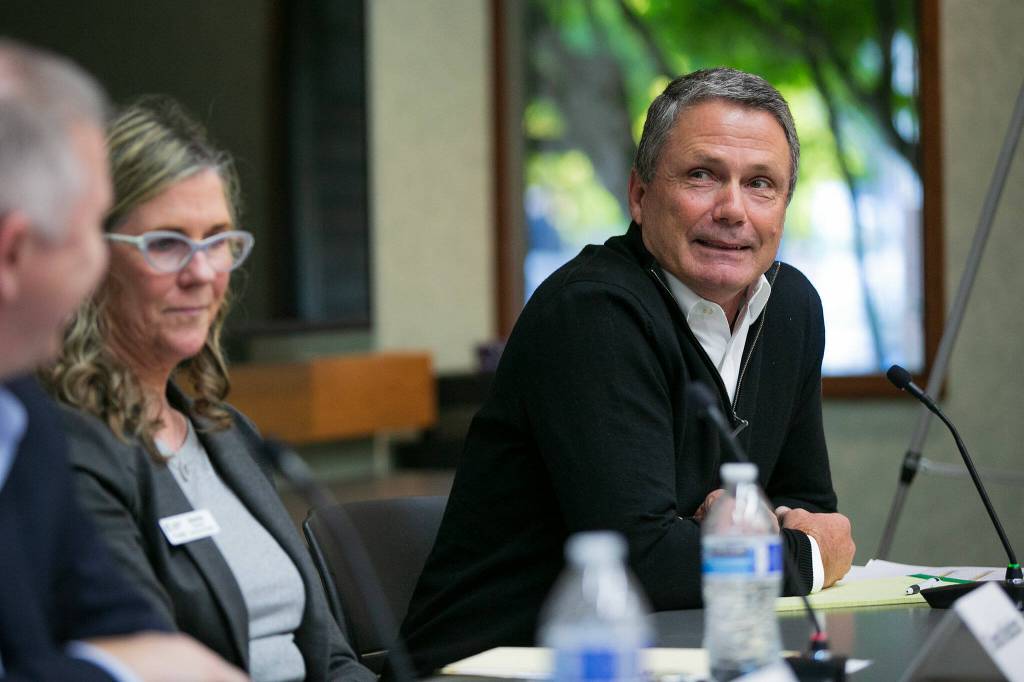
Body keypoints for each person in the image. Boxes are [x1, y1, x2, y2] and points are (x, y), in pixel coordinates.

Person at [400, 67, 857, 675]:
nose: (732, 209)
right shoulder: (593, 312)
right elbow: (646, 560)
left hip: (673, 654)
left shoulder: (793, 308)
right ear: (639, 196)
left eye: (761, 185)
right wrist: (804, 555)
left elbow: (805, 502)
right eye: (703, 176)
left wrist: (734, 535)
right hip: (498, 665)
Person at [42, 96, 374, 682]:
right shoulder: (71, 451)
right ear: (91, 255)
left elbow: (331, 657)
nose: (201, 273)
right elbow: (142, 662)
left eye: (217, 239)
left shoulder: (226, 431)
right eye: (166, 243)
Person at [0, 38, 246, 681]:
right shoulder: (63, 430)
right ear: (13, 252)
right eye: (87, 233)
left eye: (219, 241)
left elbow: (112, 617)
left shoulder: (18, 414)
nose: (202, 272)